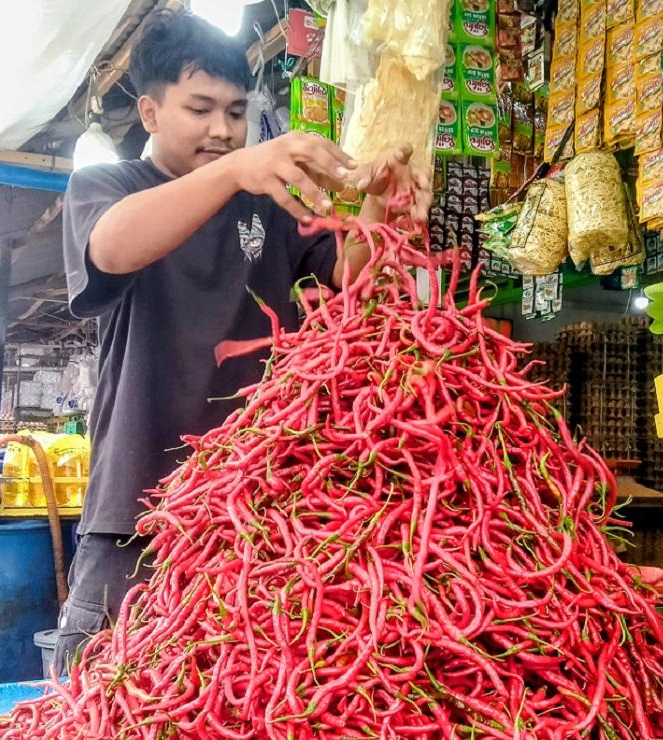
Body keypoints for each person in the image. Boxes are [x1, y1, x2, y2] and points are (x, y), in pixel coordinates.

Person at [54, 9, 431, 673]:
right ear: (149, 112)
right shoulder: (109, 187)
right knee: (105, 696)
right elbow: (111, 249)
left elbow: (352, 276)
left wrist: (379, 200)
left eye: (235, 111)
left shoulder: (266, 202)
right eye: (200, 109)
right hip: (138, 513)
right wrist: (236, 171)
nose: (223, 130)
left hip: (252, 513)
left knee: (232, 696)